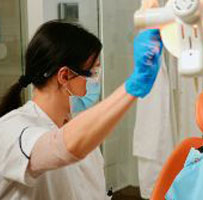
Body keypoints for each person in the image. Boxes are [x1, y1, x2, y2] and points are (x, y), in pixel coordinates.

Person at [0, 20, 162, 200]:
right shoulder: (11, 129)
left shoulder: (80, 132)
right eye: (93, 73)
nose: (96, 82)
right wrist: (133, 87)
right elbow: (59, 148)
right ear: (64, 75)